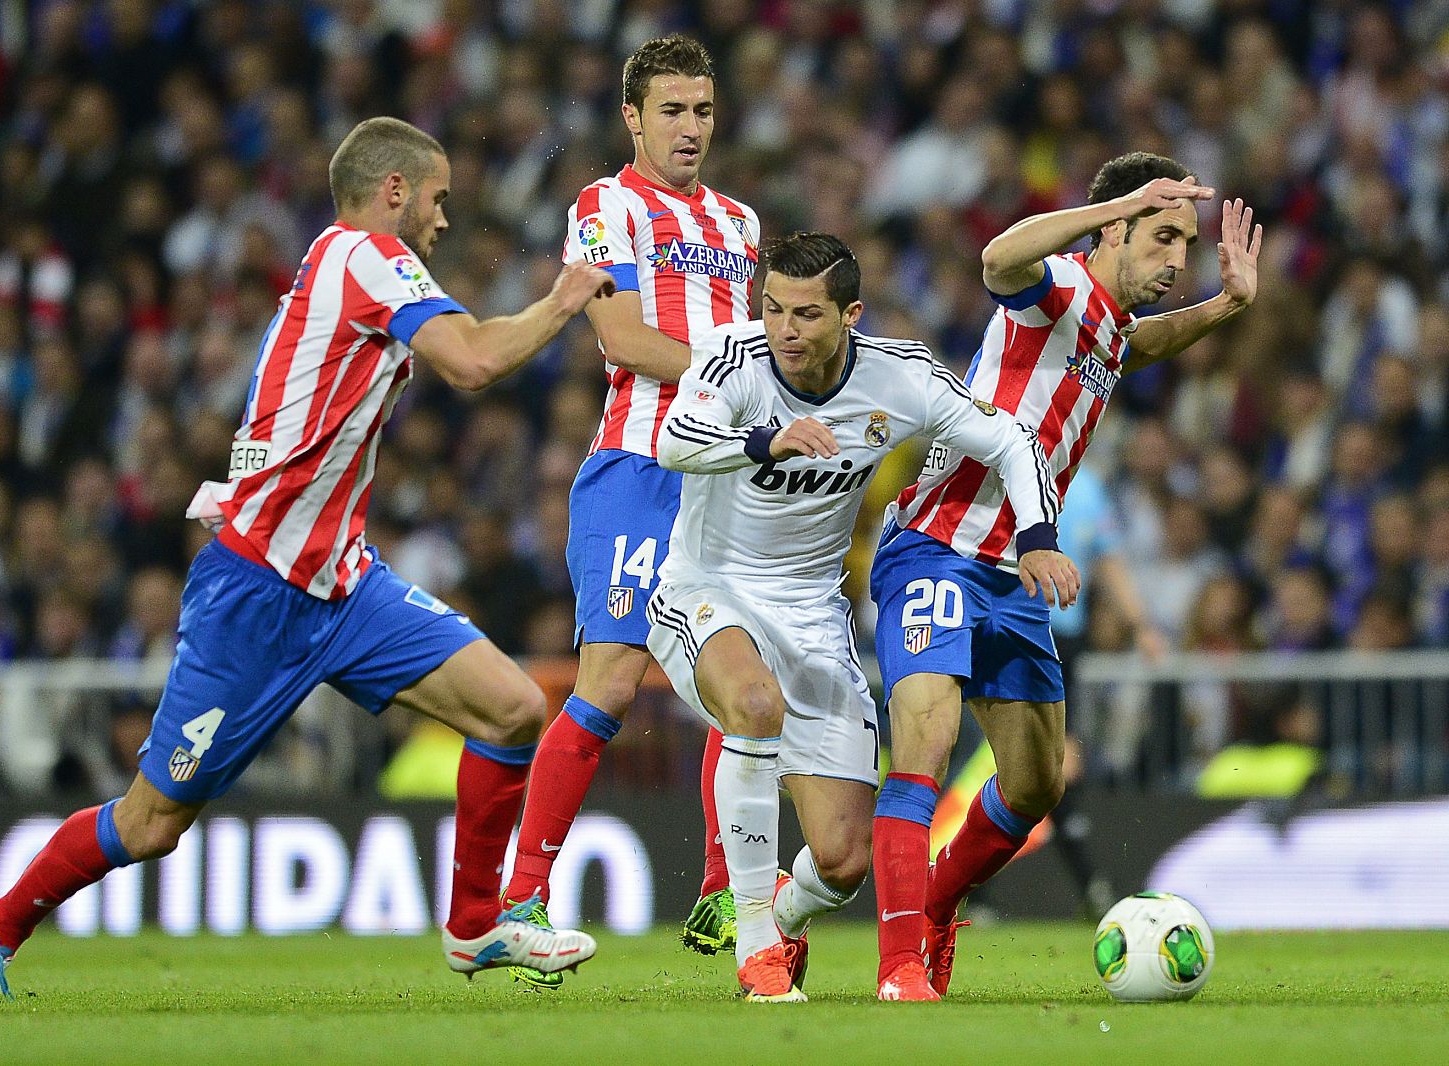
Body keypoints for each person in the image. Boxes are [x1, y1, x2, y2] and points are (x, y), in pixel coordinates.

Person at [0, 116, 615, 1014]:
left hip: (344, 582)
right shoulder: (365, 255)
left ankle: (474, 926)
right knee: (149, 826)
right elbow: (476, 360)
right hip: (256, 591)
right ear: (395, 192)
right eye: (440, 199)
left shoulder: (348, 267)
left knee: (512, 708)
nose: (447, 220)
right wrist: (565, 300)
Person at [645, 232, 1076, 1003]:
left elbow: (1012, 437)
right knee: (752, 706)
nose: (784, 329)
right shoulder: (731, 358)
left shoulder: (898, 376)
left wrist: (1038, 537)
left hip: (814, 613)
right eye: (772, 308)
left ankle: (781, 916)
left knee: (843, 860)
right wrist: (764, 441)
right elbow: (676, 441)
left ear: (851, 315)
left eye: (806, 315)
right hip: (710, 586)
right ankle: (752, 943)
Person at [869, 152, 1260, 999]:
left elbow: (1136, 347)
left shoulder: (1108, 326)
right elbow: (996, 261)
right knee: (926, 748)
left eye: (1185, 244)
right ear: (1113, 228)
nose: (1176, 259)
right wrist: (1107, 209)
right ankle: (900, 961)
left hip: (1016, 573)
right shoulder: (1057, 288)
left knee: (1037, 782)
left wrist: (1226, 303)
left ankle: (932, 909)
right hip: (939, 546)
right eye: (1162, 236)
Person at [500, 35, 762, 987]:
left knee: (744, 687)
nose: (690, 127)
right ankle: (523, 900)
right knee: (609, 680)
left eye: (702, 110)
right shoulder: (603, 208)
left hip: (725, 481)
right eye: (672, 111)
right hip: (639, 468)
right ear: (633, 118)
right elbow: (616, 333)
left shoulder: (740, 223)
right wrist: (744, 381)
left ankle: (725, 890)